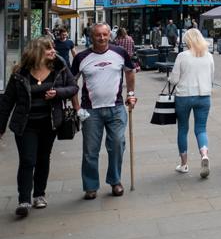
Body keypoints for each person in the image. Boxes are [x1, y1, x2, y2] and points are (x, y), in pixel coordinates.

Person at [0, 38, 79, 217]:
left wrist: (57, 93)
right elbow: (7, 101)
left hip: (49, 123)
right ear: (37, 51)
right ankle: (24, 200)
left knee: (43, 158)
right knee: (28, 160)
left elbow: (74, 87)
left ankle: (39, 195)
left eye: (53, 48)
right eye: (49, 48)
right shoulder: (20, 73)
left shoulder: (59, 68)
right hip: (25, 124)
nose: (53, 51)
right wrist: (1, 127)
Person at [71, 23, 137, 200]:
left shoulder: (119, 53)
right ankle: (91, 186)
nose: (102, 38)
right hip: (90, 111)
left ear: (110, 35)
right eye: (98, 35)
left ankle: (115, 181)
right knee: (90, 151)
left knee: (117, 145)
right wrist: (77, 107)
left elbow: (130, 72)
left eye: (105, 35)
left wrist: (131, 94)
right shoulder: (81, 58)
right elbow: (71, 83)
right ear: (91, 36)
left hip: (116, 108)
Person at [169, 28, 214, 178]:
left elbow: (174, 79)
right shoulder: (208, 56)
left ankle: (184, 164)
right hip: (204, 95)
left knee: (183, 129)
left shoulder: (182, 56)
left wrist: (171, 80)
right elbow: (212, 77)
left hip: (184, 96)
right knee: (201, 129)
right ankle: (204, 154)